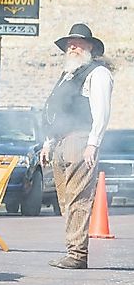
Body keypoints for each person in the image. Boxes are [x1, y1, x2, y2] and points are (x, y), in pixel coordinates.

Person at [41, 23, 113, 270]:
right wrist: (48, 142)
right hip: (61, 141)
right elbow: (56, 112)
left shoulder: (98, 74)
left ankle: (77, 255)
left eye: (78, 42)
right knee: (67, 200)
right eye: (69, 43)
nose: (72, 46)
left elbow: (101, 112)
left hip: (80, 139)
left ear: (90, 47)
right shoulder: (67, 76)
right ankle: (73, 249)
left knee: (79, 198)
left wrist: (93, 143)